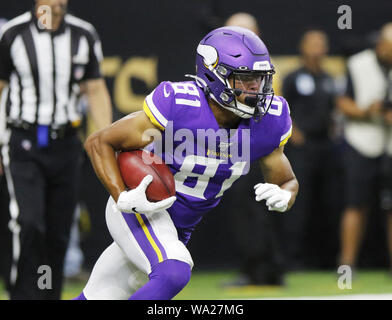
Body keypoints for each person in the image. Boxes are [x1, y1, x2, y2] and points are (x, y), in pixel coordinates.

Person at [73, 26, 298, 300]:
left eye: (261, 79)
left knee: (104, 294)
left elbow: (286, 180)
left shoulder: (271, 119)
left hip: (180, 226)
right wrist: (121, 195)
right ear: (214, 75)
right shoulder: (179, 103)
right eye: (246, 78)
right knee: (174, 270)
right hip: (141, 205)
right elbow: (99, 142)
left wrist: (285, 195)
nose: (256, 88)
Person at [0, 0, 112, 299]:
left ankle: (47, 292)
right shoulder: (12, 34)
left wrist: (103, 140)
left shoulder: (83, 34)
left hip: (65, 143)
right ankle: (23, 294)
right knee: (28, 222)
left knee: (58, 230)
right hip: (24, 140)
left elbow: (95, 89)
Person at [219, 12, 286, 287]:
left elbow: (264, 110)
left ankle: (261, 271)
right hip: (237, 146)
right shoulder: (226, 68)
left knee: (256, 208)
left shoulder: (263, 70)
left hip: (254, 146)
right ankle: (262, 268)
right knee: (250, 209)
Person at [338, 22, 392, 271]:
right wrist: (365, 112)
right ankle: (347, 264)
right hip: (360, 142)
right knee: (355, 204)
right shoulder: (358, 63)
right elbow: (342, 103)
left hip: (389, 145)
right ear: (381, 43)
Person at [282, 30, 338, 269]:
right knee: (298, 203)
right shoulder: (294, 77)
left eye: (322, 44)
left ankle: (324, 258)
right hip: (302, 147)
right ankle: (292, 258)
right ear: (303, 47)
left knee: (328, 201)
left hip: (326, 145)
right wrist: (293, 130)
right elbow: (283, 106)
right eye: (313, 44)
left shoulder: (328, 79)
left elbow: (333, 108)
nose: (318, 48)